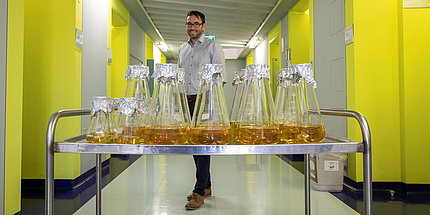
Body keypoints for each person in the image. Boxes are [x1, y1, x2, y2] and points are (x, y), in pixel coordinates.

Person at [177, 10, 226, 210]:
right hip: (186, 100)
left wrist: (211, 104)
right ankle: (207, 186)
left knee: (202, 145)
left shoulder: (212, 47)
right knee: (194, 145)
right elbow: (180, 77)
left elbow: (220, 78)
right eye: (189, 24)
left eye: (196, 24)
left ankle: (198, 193)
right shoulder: (181, 49)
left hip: (204, 100)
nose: (193, 27)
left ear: (203, 26)